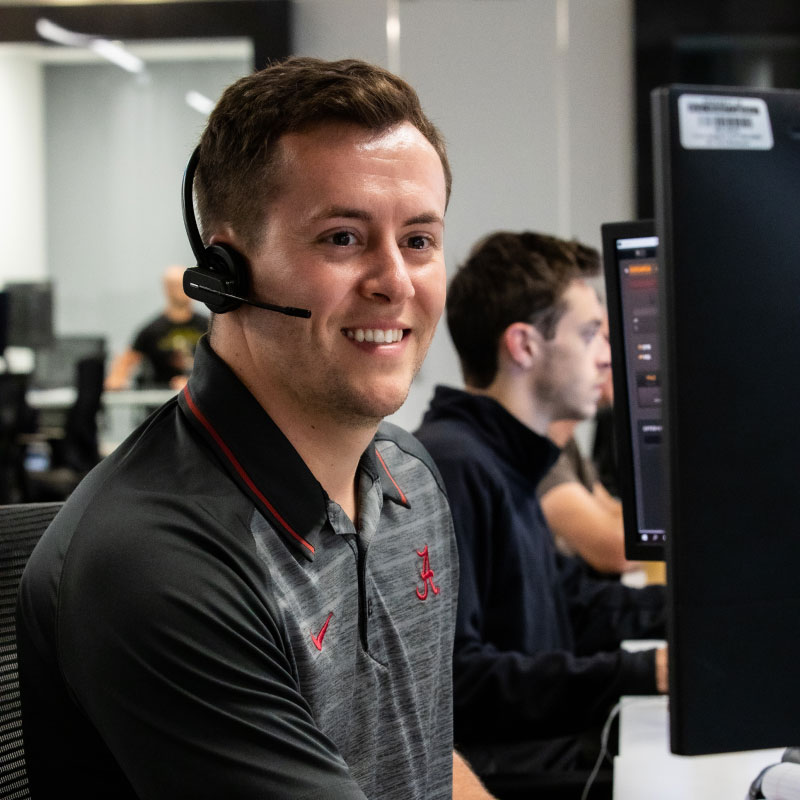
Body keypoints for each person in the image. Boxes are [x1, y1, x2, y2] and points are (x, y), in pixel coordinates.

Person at [17, 57, 491, 800]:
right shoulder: (158, 564)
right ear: (225, 275)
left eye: (420, 241)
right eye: (342, 238)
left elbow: (421, 753)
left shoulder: (409, 479)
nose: (395, 281)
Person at [415, 231, 667, 785]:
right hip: (508, 772)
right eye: (590, 334)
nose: (607, 354)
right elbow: (461, 680)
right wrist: (639, 670)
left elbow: (570, 604)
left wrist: (689, 614)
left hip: (545, 747)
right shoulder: (455, 466)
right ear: (525, 346)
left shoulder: (506, 459)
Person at [103, 264, 209, 391]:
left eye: (187, 284)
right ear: (167, 289)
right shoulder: (152, 330)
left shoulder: (208, 326)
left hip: (200, 395)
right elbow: (126, 362)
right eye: (176, 285)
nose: (183, 289)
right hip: (162, 400)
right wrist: (117, 377)